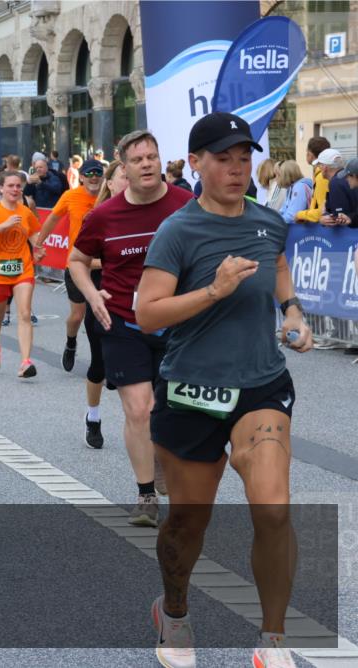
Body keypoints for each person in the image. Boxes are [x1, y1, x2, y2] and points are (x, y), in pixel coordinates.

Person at [136, 110, 313, 668]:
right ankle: (176, 613)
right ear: (195, 163)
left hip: (261, 384)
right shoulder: (178, 230)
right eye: (223, 159)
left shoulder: (267, 221)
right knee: (190, 520)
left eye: (245, 158)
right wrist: (212, 291)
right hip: (191, 390)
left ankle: (272, 643)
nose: (237, 169)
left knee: (273, 506)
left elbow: (278, 266)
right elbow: (147, 314)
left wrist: (293, 311)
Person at [69, 129, 194, 526]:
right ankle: (145, 497)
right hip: (123, 319)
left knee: (171, 411)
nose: (146, 165)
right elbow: (75, 260)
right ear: (123, 167)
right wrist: (92, 294)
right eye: (138, 160)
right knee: (139, 409)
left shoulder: (186, 205)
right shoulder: (104, 216)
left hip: (176, 321)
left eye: (152, 158)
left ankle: (162, 453)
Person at [34, 159, 106, 446]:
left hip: (106, 269)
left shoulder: (110, 198)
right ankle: (71, 341)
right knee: (77, 316)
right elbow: (52, 219)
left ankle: (103, 364)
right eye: (88, 174)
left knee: (99, 318)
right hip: (80, 267)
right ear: (81, 178)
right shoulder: (70, 196)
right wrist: (40, 242)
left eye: (98, 174)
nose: (93, 178)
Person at [0, 170, 42, 378]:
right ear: (2, 188)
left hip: (23, 269)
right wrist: (3, 225)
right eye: (11, 186)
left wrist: (38, 248)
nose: (15, 189)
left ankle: (25, 362)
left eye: (18, 186)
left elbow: (33, 233)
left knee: (24, 313)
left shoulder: (25, 211)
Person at [313, 148, 358, 227]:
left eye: (319, 165)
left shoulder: (335, 182)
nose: (319, 168)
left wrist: (323, 218)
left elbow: (339, 217)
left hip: (348, 236)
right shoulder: (344, 177)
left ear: (325, 167)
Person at [295, 136, 331, 223]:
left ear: (310, 154)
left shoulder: (322, 177)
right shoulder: (320, 174)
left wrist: (299, 215)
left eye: (307, 151)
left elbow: (321, 212)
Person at [276, 160, 312, 225]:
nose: (277, 178)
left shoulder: (299, 187)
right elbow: (283, 210)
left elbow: (293, 215)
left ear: (286, 175)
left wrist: (275, 222)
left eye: (279, 175)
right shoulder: (291, 188)